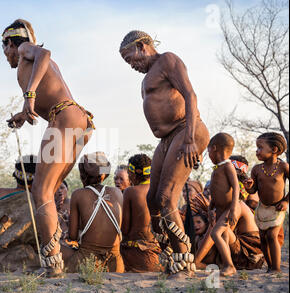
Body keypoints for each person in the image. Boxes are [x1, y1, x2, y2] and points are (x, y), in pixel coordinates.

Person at [2, 19, 94, 277]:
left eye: (4, 50)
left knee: (40, 191)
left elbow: (44, 53)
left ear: (10, 43)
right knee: (49, 192)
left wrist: (28, 95)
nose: (7, 57)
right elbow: (47, 89)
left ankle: (53, 265)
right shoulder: (32, 67)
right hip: (77, 121)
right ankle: (55, 257)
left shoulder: (25, 51)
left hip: (64, 116)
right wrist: (24, 113)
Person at [119, 30, 210, 277]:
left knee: (168, 197)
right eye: (128, 63)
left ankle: (184, 262)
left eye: (132, 59)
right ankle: (171, 252)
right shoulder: (149, 75)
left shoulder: (167, 60)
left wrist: (190, 139)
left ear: (142, 46)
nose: (132, 66)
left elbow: (190, 95)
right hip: (167, 138)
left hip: (185, 130)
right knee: (152, 201)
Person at [62, 152, 124, 273]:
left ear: (83, 175)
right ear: (104, 174)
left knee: (54, 249)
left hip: (88, 260)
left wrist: (70, 222)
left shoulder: (78, 194)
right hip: (115, 263)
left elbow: (73, 236)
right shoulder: (117, 193)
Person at [244, 132, 288, 273]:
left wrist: (286, 201)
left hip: (278, 208)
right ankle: (269, 267)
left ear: (274, 150)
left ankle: (276, 268)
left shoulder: (283, 167)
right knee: (263, 237)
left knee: (272, 235)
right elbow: (253, 191)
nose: (257, 151)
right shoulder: (257, 169)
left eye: (260, 148)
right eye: (256, 148)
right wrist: (248, 186)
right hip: (262, 208)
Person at [198, 133, 241, 276]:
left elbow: (236, 187)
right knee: (223, 237)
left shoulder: (228, 166)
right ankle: (225, 263)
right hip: (220, 208)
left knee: (215, 233)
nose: (208, 155)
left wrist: (234, 208)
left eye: (208, 151)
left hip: (230, 207)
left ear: (214, 148)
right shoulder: (217, 169)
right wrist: (211, 208)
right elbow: (215, 192)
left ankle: (229, 265)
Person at [121, 154, 161, 272]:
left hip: (136, 255)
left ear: (133, 174)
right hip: (157, 254)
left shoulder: (130, 192)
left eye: (129, 172)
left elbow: (125, 229)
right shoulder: (159, 189)